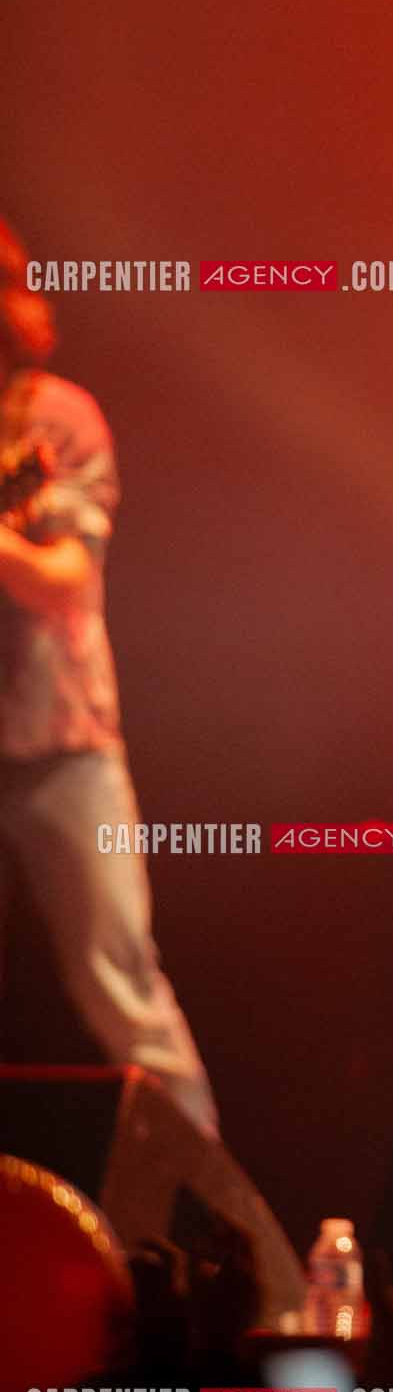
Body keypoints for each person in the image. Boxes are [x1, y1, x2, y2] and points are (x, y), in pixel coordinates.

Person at [0, 221, 218, 1136]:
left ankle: (224, 1250)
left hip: (60, 744)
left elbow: (66, 578)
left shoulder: (57, 418)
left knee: (122, 986)